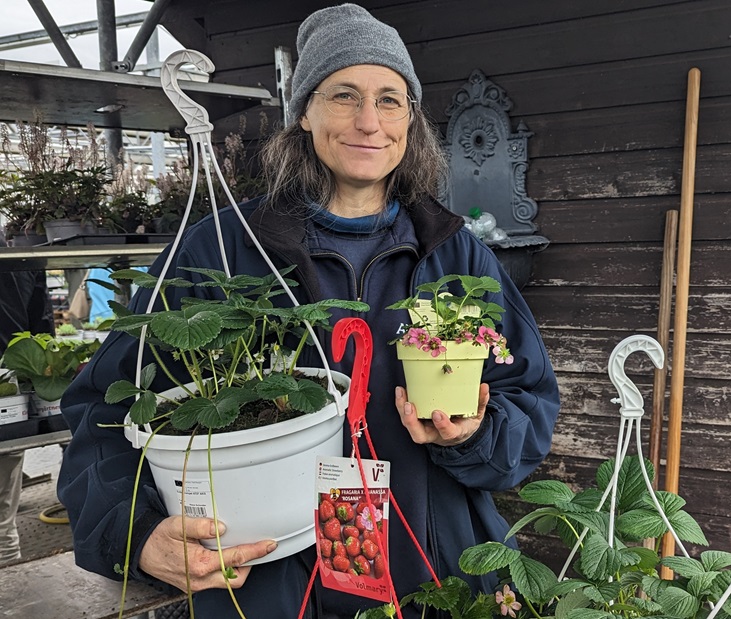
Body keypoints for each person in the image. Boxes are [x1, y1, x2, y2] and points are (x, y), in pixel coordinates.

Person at [56, 4, 559, 617]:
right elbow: (103, 407)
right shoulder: (220, 248)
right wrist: (135, 535)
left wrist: (473, 434)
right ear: (303, 116)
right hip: (265, 580)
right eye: (343, 95)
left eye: (390, 99)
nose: (369, 122)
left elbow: (527, 403)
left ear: (412, 120)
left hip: (432, 571)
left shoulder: (456, 256)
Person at [0, 230, 55, 564]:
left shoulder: (21, 260)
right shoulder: (20, 256)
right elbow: (42, 330)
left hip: (9, 387)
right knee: (3, 508)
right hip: (9, 389)